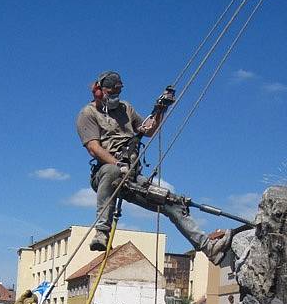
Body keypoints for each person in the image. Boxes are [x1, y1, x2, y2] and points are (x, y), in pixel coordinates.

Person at [76, 70, 232, 263]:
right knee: (112, 171)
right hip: (105, 174)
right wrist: (117, 163)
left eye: (117, 93)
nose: (115, 98)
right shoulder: (88, 114)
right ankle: (101, 233)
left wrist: (160, 110)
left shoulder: (126, 109)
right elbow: (93, 148)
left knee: (172, 203)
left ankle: (209, 248)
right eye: (111, 93)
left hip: (132, 176)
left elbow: (148, 131)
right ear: (99, 92)